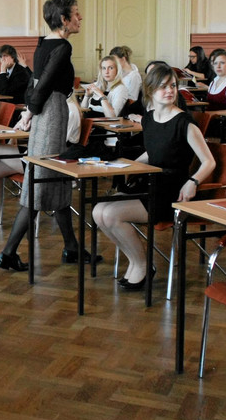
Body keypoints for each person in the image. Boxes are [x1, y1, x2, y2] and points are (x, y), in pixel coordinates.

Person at [92, 67, 215, 290]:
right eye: (163, 86)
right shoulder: (148, 119)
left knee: (110, 214)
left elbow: (209, 162)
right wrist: (130, 165)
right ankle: (136, 261)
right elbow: (152, 153)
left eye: (173, 86)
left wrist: (193, 181)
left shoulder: (184, 123)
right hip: (150, 183)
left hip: (172, 190)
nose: (169, 91)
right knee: (97, 211)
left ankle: (143, 265)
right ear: (150, 90)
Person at [0, 0, 93, 272]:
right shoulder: (62, 46)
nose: (80, 17)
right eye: (76, 13)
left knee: (54, 178)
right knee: (40, 181)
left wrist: (30, 110)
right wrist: (31, 111)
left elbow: (34, 82)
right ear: (63, 20)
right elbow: (44, 83)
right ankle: (8, 252)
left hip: (46, 113)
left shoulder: (43, 43)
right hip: (50, 113)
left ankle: (72, 247)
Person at [0, 97, 82, 229]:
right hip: (36, 154)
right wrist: (27, 124)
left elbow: (55, 144)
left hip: (52, 162)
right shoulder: (53, 108)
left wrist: (31, 127)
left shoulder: (69, 110)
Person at [205, 49, 226, 113]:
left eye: (222, 63)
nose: (218, 66)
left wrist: (209, 114)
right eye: (215, 63)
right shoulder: (213, 82)